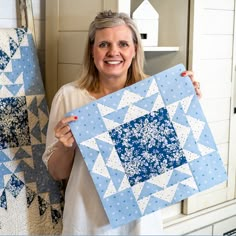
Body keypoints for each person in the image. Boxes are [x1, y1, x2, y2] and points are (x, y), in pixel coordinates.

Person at [42, 10, 202, 235]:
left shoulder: (154, 95)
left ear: (135, 49)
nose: (113, 52)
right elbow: (57, 173)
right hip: (86, 222)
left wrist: (187, 105)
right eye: (104, 44)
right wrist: (66, 146)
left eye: (123, 44)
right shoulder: (70, 96)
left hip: (140, 224)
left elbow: (181, 163)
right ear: (91, 50)